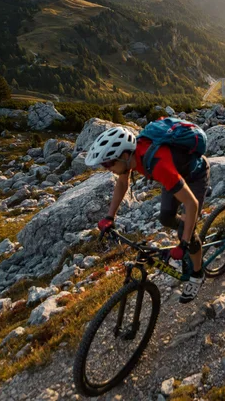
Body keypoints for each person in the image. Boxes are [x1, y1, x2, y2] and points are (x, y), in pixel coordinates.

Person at [85, 125, 210, 303]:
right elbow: (122, 183)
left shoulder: (158, 165)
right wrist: (109, 217)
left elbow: (191, 203)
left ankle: (197, 274)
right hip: (175, 176)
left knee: (186, 232)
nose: (107, 168)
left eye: (109, 163)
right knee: (165, 218)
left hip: (194, 175)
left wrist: (183, 242)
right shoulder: (130, 158)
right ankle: (187, 228)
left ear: (125, 155)